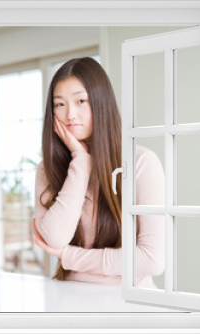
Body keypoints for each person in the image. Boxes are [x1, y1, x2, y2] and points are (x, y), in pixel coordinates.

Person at [33, 57, 165, 288]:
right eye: (59, 104)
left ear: (101, 102)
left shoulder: (141, 162)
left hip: (131, 301)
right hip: (70, 297)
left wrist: (69, 256)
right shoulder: (49, 168)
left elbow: (152, 260)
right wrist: (81, 163)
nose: (70, 114)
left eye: (81, 101)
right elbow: (54, 239)